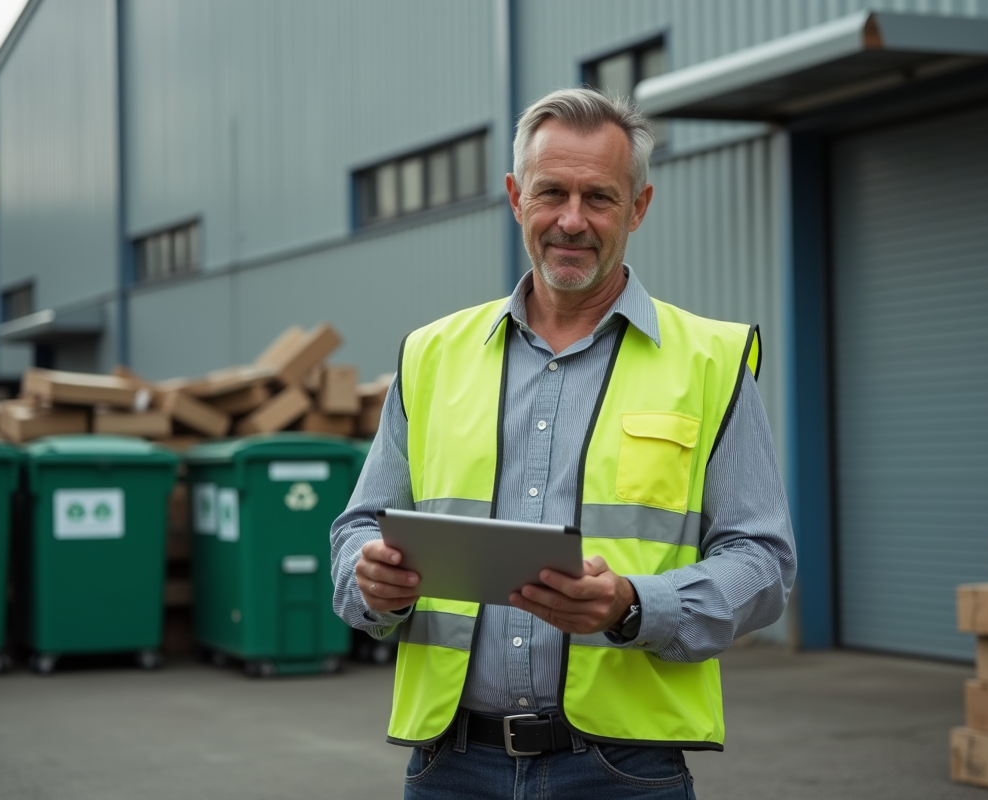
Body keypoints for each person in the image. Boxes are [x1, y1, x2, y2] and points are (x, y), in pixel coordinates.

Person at [331, 87, 796, 799]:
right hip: (451, 768)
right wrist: (371, 584)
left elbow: (762, 563)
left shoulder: (710, 361)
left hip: (622, 772)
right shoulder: (431, 355)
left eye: (599, 198)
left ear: (638, 207)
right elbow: (359, 527)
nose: (571, 221)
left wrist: (635, 605)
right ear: (517, 197)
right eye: (551, 193)